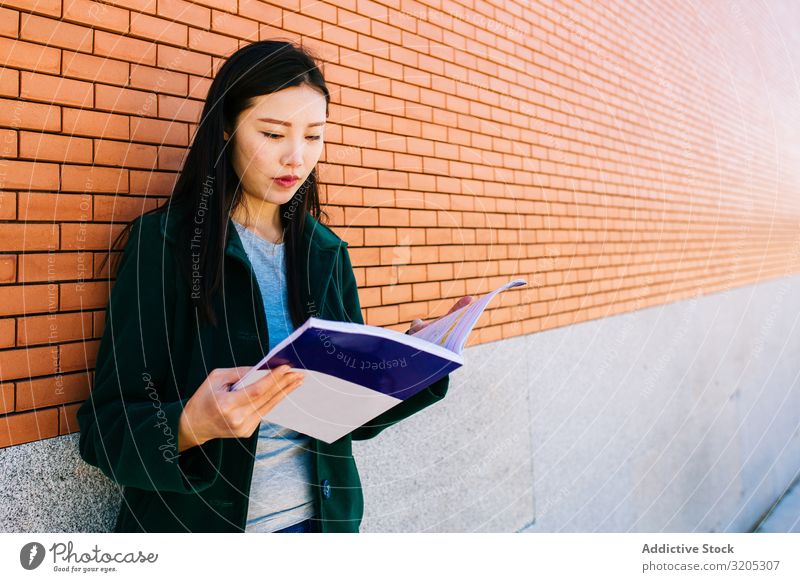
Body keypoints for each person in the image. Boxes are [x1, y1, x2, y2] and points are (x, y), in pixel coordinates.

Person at [76, 40, 473, 533]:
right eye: (272, 133)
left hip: (320, 527)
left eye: (314, 136)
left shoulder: (326, 254)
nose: (296, 157)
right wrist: (193, 424)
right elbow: (103, 430)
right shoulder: (165, 247)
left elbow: (346, 416)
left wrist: (412, 364)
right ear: (225, 130)